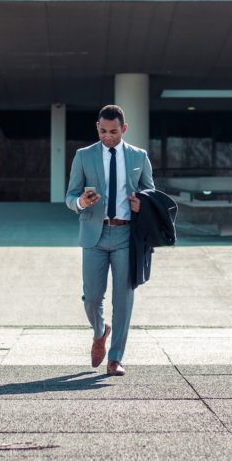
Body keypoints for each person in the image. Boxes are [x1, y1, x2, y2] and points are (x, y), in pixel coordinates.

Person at [65, 104, 154, 376]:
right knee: (92, 298)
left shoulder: (139, 156)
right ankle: (100, 330)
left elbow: (151, 191)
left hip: (127, 234)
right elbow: (70, 196)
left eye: (113, 132)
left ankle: (115, 358)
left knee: (123, 299)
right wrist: (80, 201)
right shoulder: (83, 156)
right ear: (97, 128)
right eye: (103, 131)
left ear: (124, 129)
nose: (107, 136)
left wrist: (143, 203)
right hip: (94, 233)